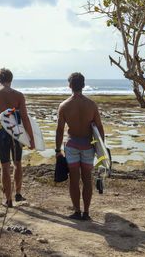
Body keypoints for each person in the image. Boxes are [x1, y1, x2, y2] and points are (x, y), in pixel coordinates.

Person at [0, 68, 35, 208]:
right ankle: (18, 194)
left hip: (1, 134)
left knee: (5, 167)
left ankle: (8, 200)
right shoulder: (18, 95)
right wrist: (31, 138)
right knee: (18, 163)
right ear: (11, 79)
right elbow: (25, 118)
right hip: (16, 134)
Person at [55, 72, 104, 221]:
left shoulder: (64, 106)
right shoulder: (91, 105)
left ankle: (77, 211)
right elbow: (100, 128)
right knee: (87, 179)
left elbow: (60, 130)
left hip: (71, 145)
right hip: (88, 146)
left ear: (69, 86)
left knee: (74, 180)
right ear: (83, 85)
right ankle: (86, 213)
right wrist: (102, 148)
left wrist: (57, 150)